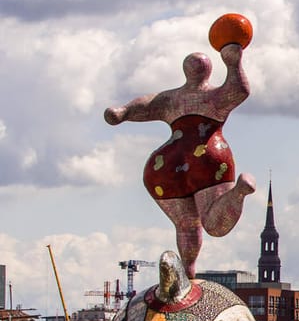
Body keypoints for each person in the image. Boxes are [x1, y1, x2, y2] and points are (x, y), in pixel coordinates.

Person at [104, 41, 255, 278]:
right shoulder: (214, 98)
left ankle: (188, 270)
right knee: (214, 225)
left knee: (186, 224)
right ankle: (238, 193)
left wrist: (122, 112)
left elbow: (147, 105)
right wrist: (233, 63)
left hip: (165, 166)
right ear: (208, 71)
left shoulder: (172, 99)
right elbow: (239, 91)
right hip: (208, 158)